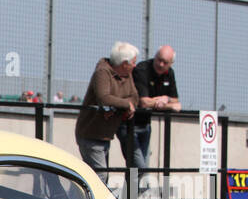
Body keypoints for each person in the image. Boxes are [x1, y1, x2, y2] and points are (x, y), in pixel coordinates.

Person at [75, 42, 139, 184]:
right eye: (133, 62)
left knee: (96, 176)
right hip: (91, 133)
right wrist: (126, 104)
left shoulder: (127, 75)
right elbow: (104, 97)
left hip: (105, 135)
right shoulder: (102, 72)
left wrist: (119, 105)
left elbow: (135, 97)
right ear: (124, 63)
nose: (135, 66)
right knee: (100, 177)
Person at [118, 45, 181, 178]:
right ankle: (126, 197)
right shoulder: (142, 69)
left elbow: (177, 103)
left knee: (138, 172)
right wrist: (167, 104)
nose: (160, 64)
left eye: (165, 62)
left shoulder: (170, 73)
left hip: (145, 126)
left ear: (171, 63)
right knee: (140, 168)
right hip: (129, 124)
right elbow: (144, 102)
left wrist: (166, 98)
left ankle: (126, 198)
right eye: (159, 59)